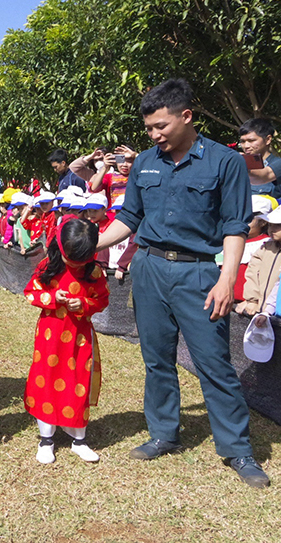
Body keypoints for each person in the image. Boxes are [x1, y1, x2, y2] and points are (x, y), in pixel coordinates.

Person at [96, 78, 270, 488]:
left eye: (161, 126)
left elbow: (234, 226)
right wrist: (90, 246)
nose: (155, 135)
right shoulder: (144, 162)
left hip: (199, 274)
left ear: (186, 116)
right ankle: (164, 433)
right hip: (149, 269)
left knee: (213, 363)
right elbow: (129, 219)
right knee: (156, 358)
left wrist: (227, 279)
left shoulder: (225, 162)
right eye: (149, 129)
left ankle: (237, 449)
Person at [23, 217, 109, 464]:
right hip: (50, 336)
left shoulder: (94, 272)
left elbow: (102, 300)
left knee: (78, 380)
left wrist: (83, 303)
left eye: (81, 260)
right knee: (46, 379)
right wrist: (52, 297)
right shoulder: (47, 266)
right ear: (60, 247)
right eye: (71, 258)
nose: (75, 265)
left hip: (80, 338)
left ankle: (79, 439)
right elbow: (31, 292)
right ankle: (46, 439)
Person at [240, 118, 281, 199]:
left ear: (268, 139)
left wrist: (241, 164)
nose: (246, 146)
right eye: (243, 141)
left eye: (251, 140)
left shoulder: (278, 164)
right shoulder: (237, 164)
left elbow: (264, 175)